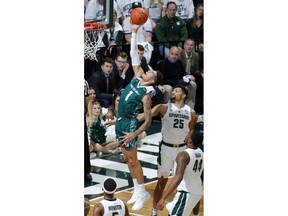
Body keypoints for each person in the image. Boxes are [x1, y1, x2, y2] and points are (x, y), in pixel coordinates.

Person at [115, 23, 163, 211]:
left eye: (151, 71)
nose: (147, 70)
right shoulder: (137, 76)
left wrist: (135, 134)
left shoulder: (146, 95)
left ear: (153, 79)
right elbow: (134, 53)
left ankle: (142, 191)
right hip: (120, 121)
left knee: (134, 160)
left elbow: (149, 121)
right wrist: (134, 32)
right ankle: (136, 188)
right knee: (127, 159)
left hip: (130, 125)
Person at [138, 84, 197, 216]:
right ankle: (154, 212)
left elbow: (191, 133)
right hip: (165, 149)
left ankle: (182, 211)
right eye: (174, 90)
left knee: (182, 183)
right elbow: (143, 116)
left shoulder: (191, 112)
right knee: (161, 182)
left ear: (184, 95)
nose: (173, 92)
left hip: (181, 150)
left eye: (177, 91)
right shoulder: (164, 107)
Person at [156, 130, 204, 216]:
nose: (186, 134)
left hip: (185, 194)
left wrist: (163, 198)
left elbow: (178, 177)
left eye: (188, 134)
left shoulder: (184, 155)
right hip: (197, 191)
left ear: (190, 140)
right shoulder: (200, 152)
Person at [178, 38, 203, 114]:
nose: (189, 47)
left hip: (192, 75)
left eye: (191, 45)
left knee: (201, 79)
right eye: (187, 45)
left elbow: (196, 69)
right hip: (181, 76)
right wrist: (187, 76)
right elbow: (178, 70)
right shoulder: (180, 55)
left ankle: (198, 106)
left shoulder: (195, 55)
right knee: (193, 84)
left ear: (193, 46)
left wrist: (196, 74)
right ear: (184, 46)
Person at [84, 80, 93, 182]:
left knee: (84, 145)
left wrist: (89, 116)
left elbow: (88, 100)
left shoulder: (84, 83)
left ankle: (86, 171)